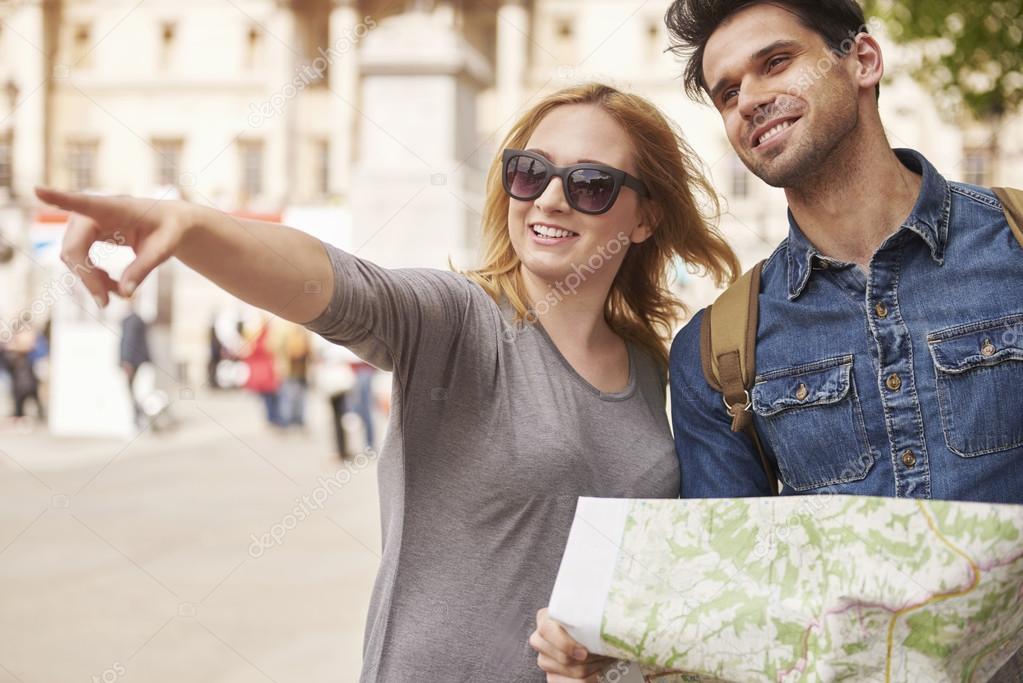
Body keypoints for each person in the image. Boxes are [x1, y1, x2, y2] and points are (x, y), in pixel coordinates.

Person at [35, 82, 739, 681]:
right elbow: (336, 283)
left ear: (645, 215)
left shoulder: (651, 363)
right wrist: (190, 226)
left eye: (590, 184)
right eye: (529, 172)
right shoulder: (463, 320)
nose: (550, 199)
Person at [533, 1, 1023, 679]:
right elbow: (739, 614)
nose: (751, 99)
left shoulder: (1014, 244)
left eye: (775, 62)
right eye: (728, 92)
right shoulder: (716, 350)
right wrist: (616, 649)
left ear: (862, 60)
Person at [120, 308, 151, 429]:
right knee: (135, 391)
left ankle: (137, 418)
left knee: (133, 392)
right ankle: (138, 418)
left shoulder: (131, 321)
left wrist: (127, 360)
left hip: (132, 362)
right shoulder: (137, 320)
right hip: (137, 362)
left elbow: (129, 340)